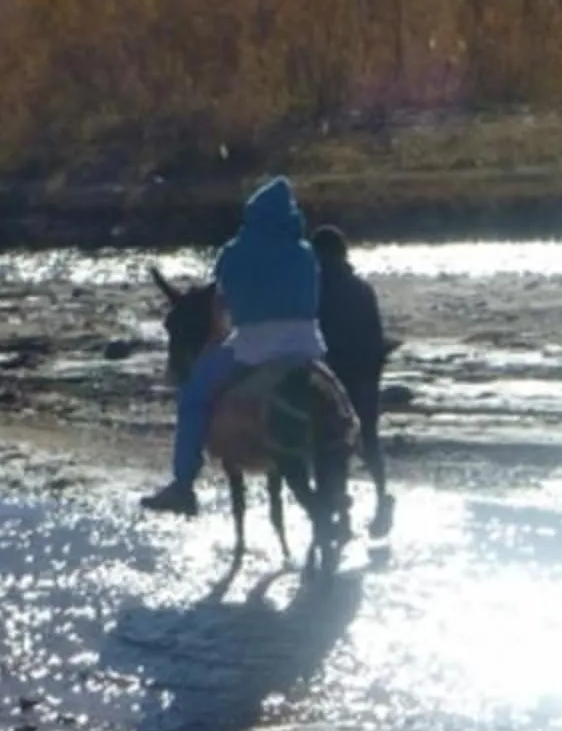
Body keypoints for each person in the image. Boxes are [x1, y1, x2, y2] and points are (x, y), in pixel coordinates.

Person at [142, 176, 325, 514]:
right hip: (307, 345)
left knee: (193, 397)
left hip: (254, 345)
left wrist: (214, 344)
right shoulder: (306, 253)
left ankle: (183, 485)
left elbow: (220, 310)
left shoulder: (234, 252)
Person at [311, 224, 396, 537]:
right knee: (367, 438)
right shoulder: (361, 288)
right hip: (363, 372)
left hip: (334, 374)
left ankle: (342, 508)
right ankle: (380, 498)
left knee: (330, 441)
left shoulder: (316, 289)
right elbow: (376, 335)